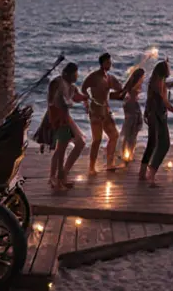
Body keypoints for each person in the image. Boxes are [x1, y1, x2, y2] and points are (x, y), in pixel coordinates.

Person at [140, 60, 173, 188]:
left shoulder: (156, 82)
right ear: (164, 70)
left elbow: (167, 86)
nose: (170, 69)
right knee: (164, 144)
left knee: (155, 143)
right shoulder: (159, 84)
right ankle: (151, 174)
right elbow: (165, 102)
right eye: (168, 68)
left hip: (156, 116)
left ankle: (146, 173)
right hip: (158, 116)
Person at [81, 53, 123, 175]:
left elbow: (120, 89)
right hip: (95, 110)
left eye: (110, 62)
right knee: (97, 139)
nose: (110, 64)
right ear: (102, 63)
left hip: (105, 110)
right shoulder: (94, 76)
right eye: (108, 62)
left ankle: (110, 162)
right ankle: (91, 167)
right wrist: (86, 101)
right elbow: (83, 88)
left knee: (114, 135)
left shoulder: (109, 77)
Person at [47, 62, 85, 191]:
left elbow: (75, 97)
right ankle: (57, 180)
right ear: (69, 74)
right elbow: (54, 100)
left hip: (66, 118)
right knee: (61, 150)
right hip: (58, 119)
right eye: (75, 74)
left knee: (79, 143)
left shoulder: (71, 86)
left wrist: (86, 97)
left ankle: (60, 175)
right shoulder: (58, 83)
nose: (77, 76)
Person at [118, 67, 147, 163]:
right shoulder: (134, 85)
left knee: (132, 132)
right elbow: (131, 95)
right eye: (142, 76)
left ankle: (128, 153)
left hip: (133, 106)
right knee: (130, 132)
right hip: (132, 106)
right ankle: (126, 154)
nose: (144, 78)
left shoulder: (132, 84)